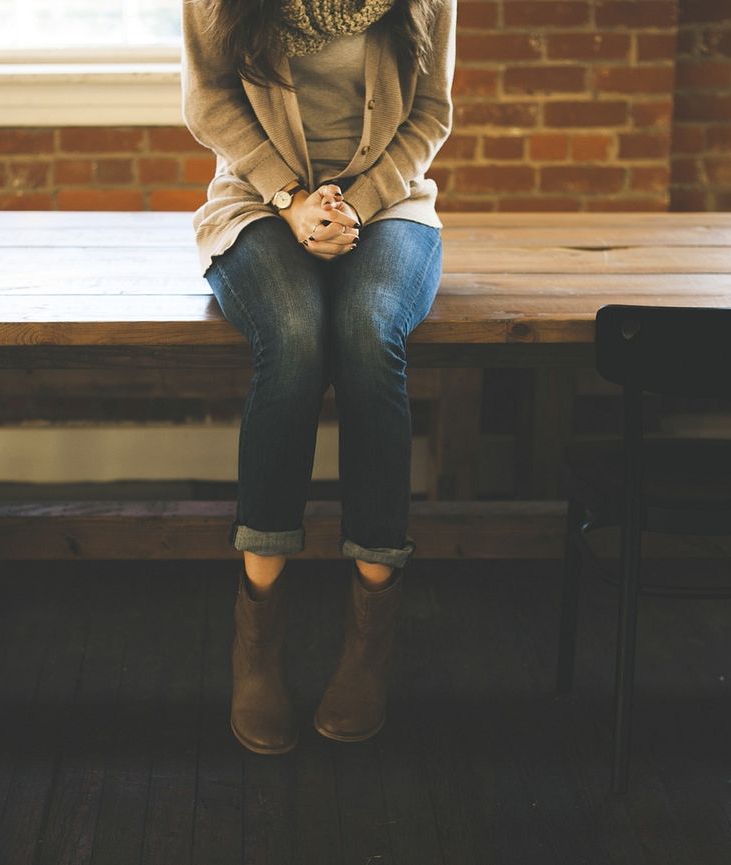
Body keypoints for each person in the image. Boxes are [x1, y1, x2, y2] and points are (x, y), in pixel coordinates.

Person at [181, 0, 456, 754]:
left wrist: (354, 206)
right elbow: (208, 98)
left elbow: (430, 113)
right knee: (296, 335)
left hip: (391, 204)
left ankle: (369, 639)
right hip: (258, 202)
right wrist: (294, 201)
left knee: (369, 333)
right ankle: (258, 641)